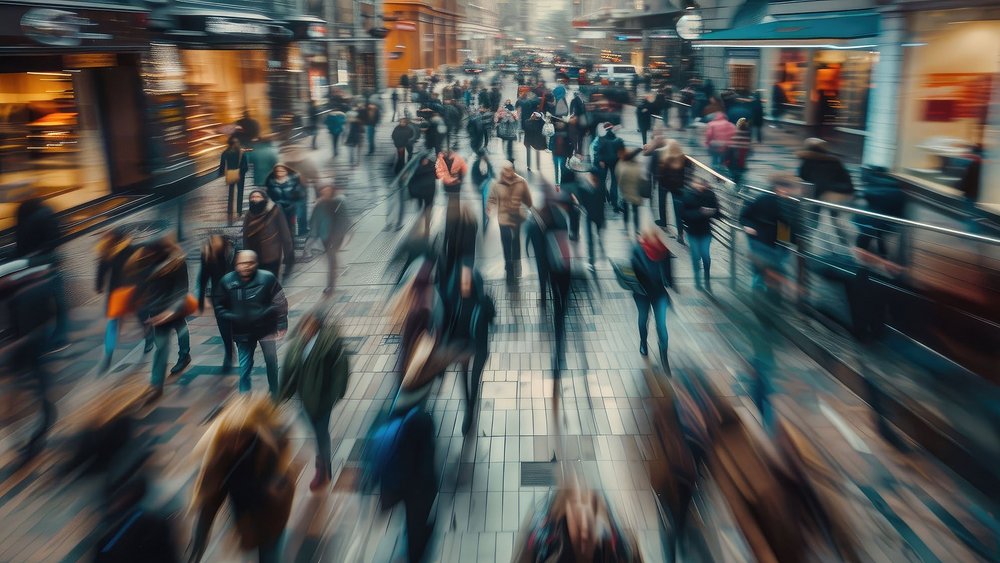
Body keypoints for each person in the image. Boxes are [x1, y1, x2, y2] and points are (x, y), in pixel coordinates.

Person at [189, 396, 294, 563]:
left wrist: (275, 488)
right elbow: (211, 497)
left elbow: (285, 485)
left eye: (243, 434)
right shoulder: (221, 455)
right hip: (245, 519)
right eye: (233, 436)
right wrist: (200, 536)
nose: (237, 442)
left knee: (269, 556)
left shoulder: (269, 448)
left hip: (272, 518)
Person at [279, 306, 349, 491]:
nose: (306, 329)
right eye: (305, 324)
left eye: (310, 325)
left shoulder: (329, 344)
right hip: (303, 397)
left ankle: (323, 469)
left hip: (321, 399)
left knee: (320, 433)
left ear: (318, 326)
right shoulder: (297, 344)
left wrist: (333, 396)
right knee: (310, 427)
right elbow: (289, 370)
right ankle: (323, 464)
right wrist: (281, 394)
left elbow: (340, 370)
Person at [0, 255, 60, 466]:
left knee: (43, 407)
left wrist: (11, 346)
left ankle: (30, 447)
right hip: (20, 362)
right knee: (19, 408)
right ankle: (25, 446)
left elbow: (38, 331)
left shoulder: (29, 294)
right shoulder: (18, 295)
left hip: (29, 359)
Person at [214, 250, 289, 396]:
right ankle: (244, 396)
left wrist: (282, 324)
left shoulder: (267, 278)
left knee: (271, 362)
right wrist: (233, 317)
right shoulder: (227, 282)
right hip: (242, 332)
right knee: (244, 366)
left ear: (256, 263)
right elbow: (219, 306)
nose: (246, 266)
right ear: (236, 264)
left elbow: (280, 302)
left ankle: (274, 391)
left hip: (266, 330)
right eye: (242, 263)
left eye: (250, 263)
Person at [129, 236, 192, 401]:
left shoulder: (177, 263)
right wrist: (142, 312)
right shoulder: (144, 262)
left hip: (174, 308)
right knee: (162, 346)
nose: (148, 255)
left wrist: (171, 312)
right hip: (157, 312)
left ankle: (184, 355)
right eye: (147, 253)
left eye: (151, 253)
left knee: (181, 328)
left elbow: (182, 290)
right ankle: (156, 385)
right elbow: (141, 288)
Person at [740, 175, 800, 295]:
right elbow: (744, 215)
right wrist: (748, 226)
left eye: (787, 188)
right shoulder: (764, 199)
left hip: (781, 242)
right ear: (776, 187)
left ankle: (772, 292)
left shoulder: (791, 203)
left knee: (776, 267)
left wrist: (795, 241)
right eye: (782, 188)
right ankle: (758, 289)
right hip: (761, 239)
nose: (785, 191)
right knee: (762, 268)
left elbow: (791, 224)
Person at [95, 228, 143, 373]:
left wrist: (99, 286)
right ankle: (108, 355)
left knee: (116, 323)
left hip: (122, 292)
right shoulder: (128, 249)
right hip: (128, 291)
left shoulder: (109, 251)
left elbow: (101, 272)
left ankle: (108, 355)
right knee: (134, 318)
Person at [796, 137, 854, 246]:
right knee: (835, 219)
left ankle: (805, 244)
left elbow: (802, 177)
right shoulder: (835, 162)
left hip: (816, 195)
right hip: (835, 195)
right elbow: (846, 179)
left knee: (812, 219)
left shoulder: (807, 161)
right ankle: (845, 242)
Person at [630, 227, 674, 369]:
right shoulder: (664, 250)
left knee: (644, 318)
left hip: (642, 292)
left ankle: (644, 344)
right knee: (660, 323)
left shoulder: (637, 249)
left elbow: (633, 271)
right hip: (658, 292)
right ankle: (663, 355)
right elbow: (669, 277)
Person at [487, 162, 533, 278]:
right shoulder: (497, 184)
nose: (507, 175)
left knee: (513, 242)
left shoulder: (520, 182)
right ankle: (511, 266)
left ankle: (513, 266)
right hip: (505, 218)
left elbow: (528, 201)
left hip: (514, 218)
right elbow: (491, 199)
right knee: (508, 241)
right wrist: (490, 208)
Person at [197, 235, 236, 373]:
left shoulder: (234, 251)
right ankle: (229, 354)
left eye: (215, 240)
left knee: (238, 326)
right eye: (211, 241)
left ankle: (239, 349)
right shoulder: (208, 255)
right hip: (219, 297)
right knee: (224, 328)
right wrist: (201, 300)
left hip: (236, 295)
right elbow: (203, 278)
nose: (213, 243)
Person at [307, 185, 350, 294]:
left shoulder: (338, 202)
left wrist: (340, 235)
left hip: (335, 237)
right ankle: (339, 269)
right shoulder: (319, 205)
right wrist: (313, 237)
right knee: (331, 258)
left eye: (327, 191)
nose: (325, 193)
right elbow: (314, 221)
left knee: (331, 260)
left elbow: (345, 220)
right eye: (323, 191)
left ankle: (331, 286)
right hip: (324, 237)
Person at [242, 189, 294, 280]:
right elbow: (245, 237)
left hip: (271, 256)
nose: (254, 199)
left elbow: (285, 234)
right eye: (252, 197)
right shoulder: (248, 215)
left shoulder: (275, 211)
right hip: (254, 257)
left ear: (264, 199)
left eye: (258, 197)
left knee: (271, 281)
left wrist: (288, 257)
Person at [682, 178, 721, 291]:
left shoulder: (710, 195)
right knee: (695, 256)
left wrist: (711, 212)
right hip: (692, 232)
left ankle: (707, 279)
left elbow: (717, 212)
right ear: (693, 184)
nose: (700, 186)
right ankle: (697, 281)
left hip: (705, 232)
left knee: (705, 256)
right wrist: (700, 212)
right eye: (697, 184)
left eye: (702, 184)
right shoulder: (688, 195)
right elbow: (684, 215)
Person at [264, 163, 307, 238]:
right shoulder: (270, 182)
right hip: (277, 208)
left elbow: (300, 195)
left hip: (291, 208)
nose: (280, 173)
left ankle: (290, 239)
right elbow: (268, 194)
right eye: (277, 171)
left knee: (290, 226)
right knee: (278, 225)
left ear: (287, 171)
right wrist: (270, 202)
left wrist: (296, 203)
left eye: (282, 171)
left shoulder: (294, 180)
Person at [615, 146, 647, 236]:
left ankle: (626, 229)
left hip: (625, 193)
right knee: (635, 211)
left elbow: (619, 179)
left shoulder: (621, 165)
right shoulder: (638, 166)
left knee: (626, 211)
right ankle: (637, 229)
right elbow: (642, 180)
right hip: (636, 193)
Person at [594, 124, 625, 212]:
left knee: (602, 181)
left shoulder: (601, 139)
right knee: (614, 182)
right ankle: (614, 202)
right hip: (615, 162)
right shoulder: (619, 140)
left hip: (604, 162)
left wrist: (600, 160)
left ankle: (603, 199)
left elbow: (597, 151)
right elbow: (622, 153)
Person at [219, 137, 249, 217]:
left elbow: (222, 164)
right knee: (240, 192)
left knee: (231, 192)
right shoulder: (241, 152)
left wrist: (222, 173)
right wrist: (242, 172)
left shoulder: (225, 152)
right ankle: (239, 211)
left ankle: (230, 210)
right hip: (240, 175)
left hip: (230, 174)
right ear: (237, 143)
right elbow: (245, 166)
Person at [408, 151, 437, 232]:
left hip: (430, 192)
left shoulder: (431, 167)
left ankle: (427, 226)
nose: (425, 161)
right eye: (424, 160)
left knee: (428, 209)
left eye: (426, 159)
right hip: (422, 192)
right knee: (423, 209)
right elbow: (412, 181)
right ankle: (424, 223)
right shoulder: (419, 169)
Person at [470, 148, 494, 227]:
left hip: (488, 184)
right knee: (485, 202)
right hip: (482, 186)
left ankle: (486, 216)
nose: (487, 156)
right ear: (482, 156)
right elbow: (474, 176)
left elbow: (492, 173)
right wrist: (478, 185)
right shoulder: (476, 164)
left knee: (487, 201)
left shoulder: (487, 162)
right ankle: (485, 217)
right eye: (485, 154)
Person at [727, 117, 752, 188]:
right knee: (739, 175)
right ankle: (738, 185)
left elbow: (731, 146)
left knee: (734, 174)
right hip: (742, 159)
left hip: (734, 159)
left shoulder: (735, 133)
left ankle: (735, 185)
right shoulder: (748, 133)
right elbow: (747, 147)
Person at [549, 119, 572, 186]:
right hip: (555, 153)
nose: (559, 124)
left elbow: (570, 145)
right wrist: (551, 148)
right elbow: (550, 143)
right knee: (556, 168)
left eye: (561, 123)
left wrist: (569, 154)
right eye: (558, 123)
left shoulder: (567, 134)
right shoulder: (553, 133)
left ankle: (562, 182)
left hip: (563, 154)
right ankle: (557, 182)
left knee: (562, 168)